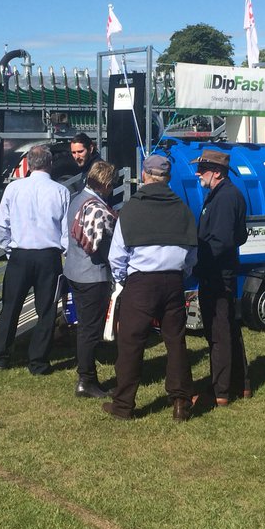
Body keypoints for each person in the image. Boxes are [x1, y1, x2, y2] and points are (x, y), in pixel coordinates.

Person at [103, 153, 197, 421]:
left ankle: (123, 405)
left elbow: (117, 255)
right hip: (173, 280)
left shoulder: (132, 208)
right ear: (167, 178)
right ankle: (181, 403)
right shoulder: (182, 208)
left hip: (141, 282)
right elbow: (192, 251)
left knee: (131, 343)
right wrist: (182, 273)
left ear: (145, 175)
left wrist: (123, 279)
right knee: (175, 341)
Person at [0, 144, 69, 375]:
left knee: (10, 306)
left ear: (29, 164)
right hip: (48, 256)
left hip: (20, 255)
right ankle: (38, 361)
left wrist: (9, 249)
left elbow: (1, 224)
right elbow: (65, 231)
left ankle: (0, 355)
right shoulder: (60, 191)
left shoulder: (14, 189)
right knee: (46, 310)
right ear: (50, 164)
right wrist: (64, 252)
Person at [193, 148, 249, 406]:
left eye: (202, 169)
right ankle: (240, 383)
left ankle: (220, 391)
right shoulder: (222, 194)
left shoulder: (225, 197)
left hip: (216, 273)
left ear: (216, 172)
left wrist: (200, 262)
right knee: (227, 328)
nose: (198, 174)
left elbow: (224, 240)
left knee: (219, 334)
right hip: (218, 271)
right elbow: (240, 235)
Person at [64, 159, 118, 398]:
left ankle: (86, 376)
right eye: (111, 184)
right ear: (105, 183)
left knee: (85, 328)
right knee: (90, 330)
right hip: (92, 275)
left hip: (75, 270)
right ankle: (86, 379)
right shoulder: (96, 207)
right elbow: (98, 245)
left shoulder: (77, 198)